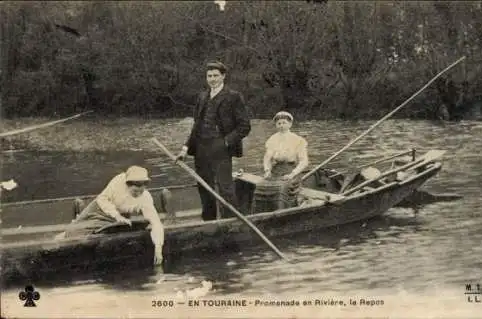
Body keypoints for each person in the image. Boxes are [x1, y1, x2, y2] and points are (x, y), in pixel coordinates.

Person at [176, 61, 251, 221]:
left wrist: (225, 142)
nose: (212, 79)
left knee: (225, 188)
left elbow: (244, 126)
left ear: (223, 76)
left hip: (222, 150)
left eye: (216, 75)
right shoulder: (202, 96)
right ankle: (209, 223)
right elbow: (196, 126)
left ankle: (232, 222)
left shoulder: (233, 97)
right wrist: (185, 148)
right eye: (209, 76)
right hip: (201, 149)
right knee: (204, 187)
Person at [57, 166, 165, 266]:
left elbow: (156, 223)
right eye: (135, 191)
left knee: (98, 234)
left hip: (120, 217)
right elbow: (102, 199)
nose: (138, 194)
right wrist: (117, 216)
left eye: (141, 191)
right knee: (73, 231)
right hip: (100, 209)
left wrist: (158, 247)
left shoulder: (145, 198)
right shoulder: (118, 181)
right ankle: (62, 237)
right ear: (127, 185)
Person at [254, 111, 309, 212]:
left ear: (290, 124)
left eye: (284, 123)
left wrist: (292, 174)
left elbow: (304, 161)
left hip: (291, 171)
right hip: (276, 171)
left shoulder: (298, 140)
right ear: (276, 125)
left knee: (280, 188)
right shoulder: (272, 139)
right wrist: (267, 171)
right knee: (260, 186)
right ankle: (262, 213)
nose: (281, 126)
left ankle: (281, 213)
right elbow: (267, 157)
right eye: (279, 123)